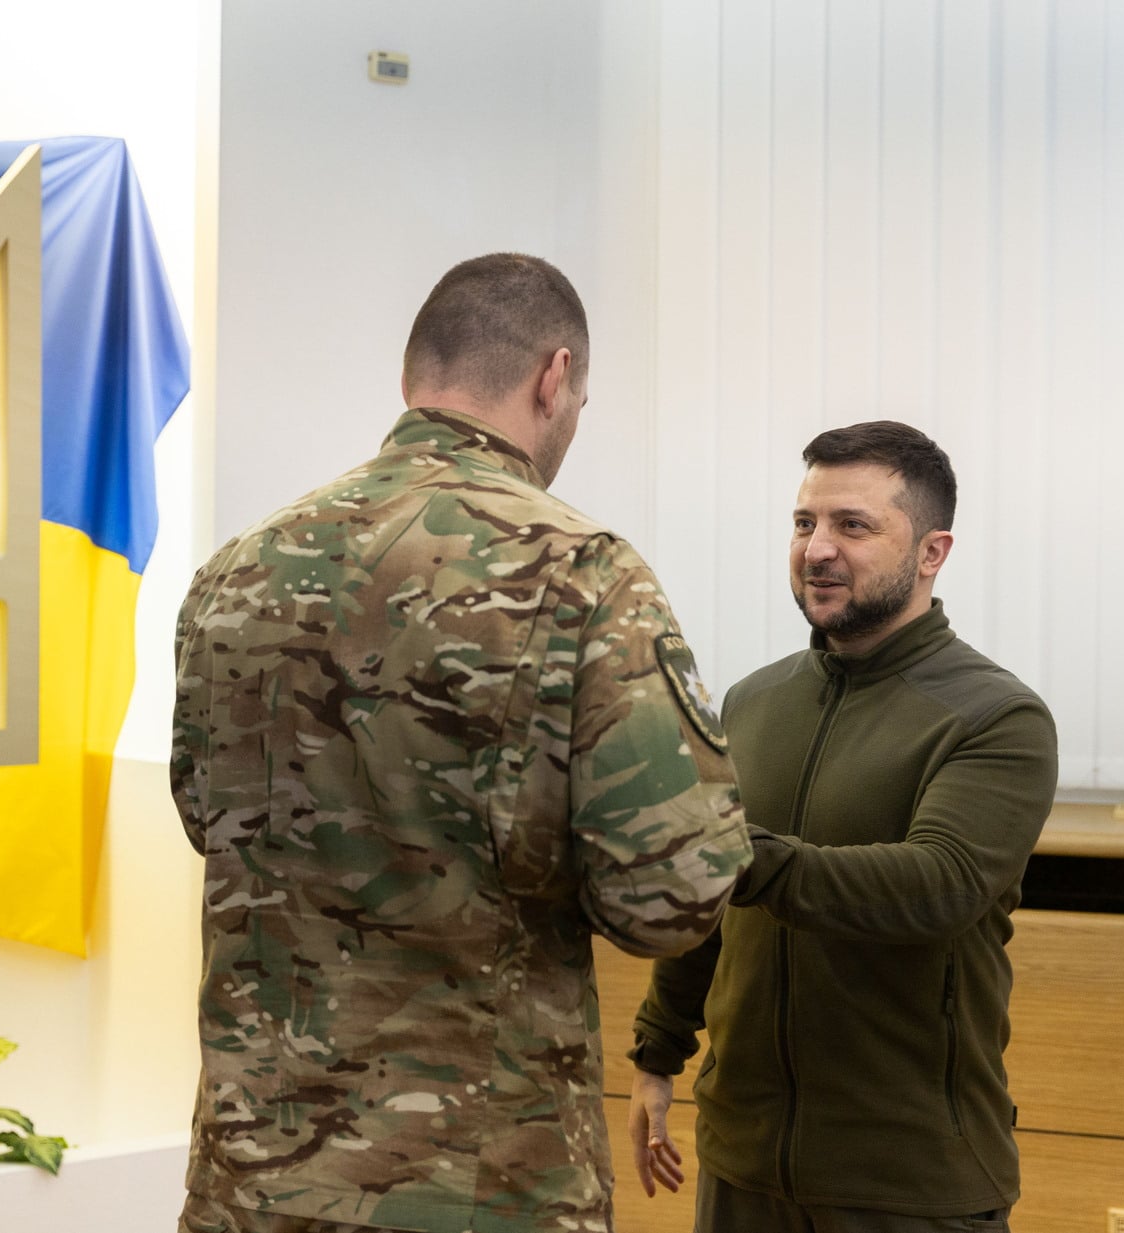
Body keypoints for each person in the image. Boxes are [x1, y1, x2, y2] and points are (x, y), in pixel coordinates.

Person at [170, 253, 753, 1233]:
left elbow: (208, 820)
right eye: (579, 398)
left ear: (413, 377)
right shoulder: (582, 578)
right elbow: (666, 898)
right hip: (479, 1186)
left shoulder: (239, 569)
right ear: (551, 377)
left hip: (251, 1181)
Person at [625, 421, 1059, 1232]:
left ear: (933, 552)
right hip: (742, 1167)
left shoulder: (997, 717)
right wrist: (657, 1053)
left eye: (852, 525)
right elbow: (714, 904)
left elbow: (938, 884)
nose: (817, 548)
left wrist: (731, 851)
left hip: (909, 1182)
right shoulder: (752, 702)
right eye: (804, 523)